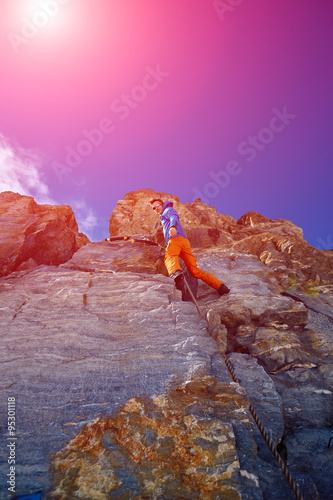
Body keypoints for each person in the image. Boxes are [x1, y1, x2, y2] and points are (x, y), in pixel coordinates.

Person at [150, 198, 230, 300]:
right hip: (184, 242)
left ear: (162, 204)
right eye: (153, 208)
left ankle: (176, 275)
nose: (156, 209)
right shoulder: (163, 214)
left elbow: (174, 216)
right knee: (195, 271)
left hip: (174, 239)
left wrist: (173, 227)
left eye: (157, 205)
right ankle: (220, 286)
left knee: (169, 256)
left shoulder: (167, 210)